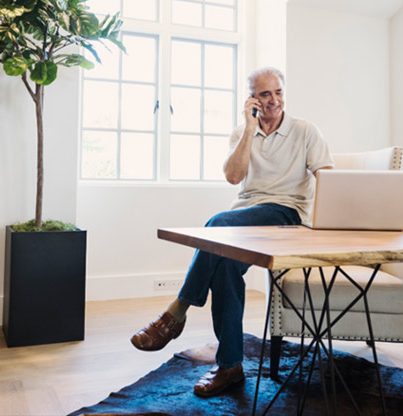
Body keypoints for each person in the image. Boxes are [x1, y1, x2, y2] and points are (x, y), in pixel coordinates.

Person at [130, 67, 334, 397]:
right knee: (224, 266)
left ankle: (177, 311)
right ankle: (230, 367)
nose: (274, 101)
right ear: (251, 98)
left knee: (216, 223)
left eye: (278, 92)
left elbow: (329, 180)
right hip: (246, 219)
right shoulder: (243, 131)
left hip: (287, 216)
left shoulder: (306, 131)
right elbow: (233, 177)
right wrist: (250, 129)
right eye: (265, 94)